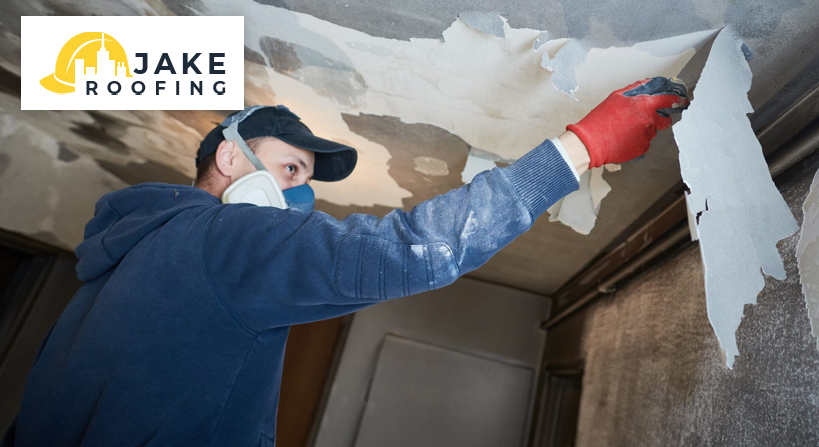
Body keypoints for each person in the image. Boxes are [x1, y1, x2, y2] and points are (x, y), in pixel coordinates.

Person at [3, 78, 686, 446]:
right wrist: (579, 148)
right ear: (231, 156)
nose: (300, 193)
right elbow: (410, 252)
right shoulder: (218, 239)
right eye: (292, 167)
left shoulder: (122, 258)